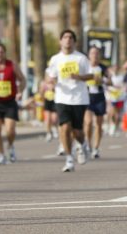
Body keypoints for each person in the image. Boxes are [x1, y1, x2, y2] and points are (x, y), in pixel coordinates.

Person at [47, 29, 93, 173]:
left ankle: (83, 144)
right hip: (61, 97)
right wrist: (51, 82)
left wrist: (79, 77)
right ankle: (69, 159)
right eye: (65, 37)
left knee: (77, 131)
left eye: (70, 38)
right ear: (60, 41)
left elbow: (91, 75)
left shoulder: (81, 58)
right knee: (65, 127)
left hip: (79, 98)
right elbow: (51, 77)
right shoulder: (55, 59)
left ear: (74, 41)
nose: (68, 40)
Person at [0, 43, 26, 165]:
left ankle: (10, 145)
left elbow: (22, 79)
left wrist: (20, 92)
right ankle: (1, 154)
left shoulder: (12, 65)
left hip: (9, 101)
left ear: (5, 53)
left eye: (1, 52)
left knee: (10, 130)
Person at [84, 46, 111, 159]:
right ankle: (88, 144)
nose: (94, 55)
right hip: (87, 96)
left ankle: (96, 148)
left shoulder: (103, 68)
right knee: (89, 122)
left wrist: (103, 80)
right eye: (92, 53)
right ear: (89, 55)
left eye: (96, 53)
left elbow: (110, 81)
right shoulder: (85, 67)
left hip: (99, 97)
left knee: (99, 124)